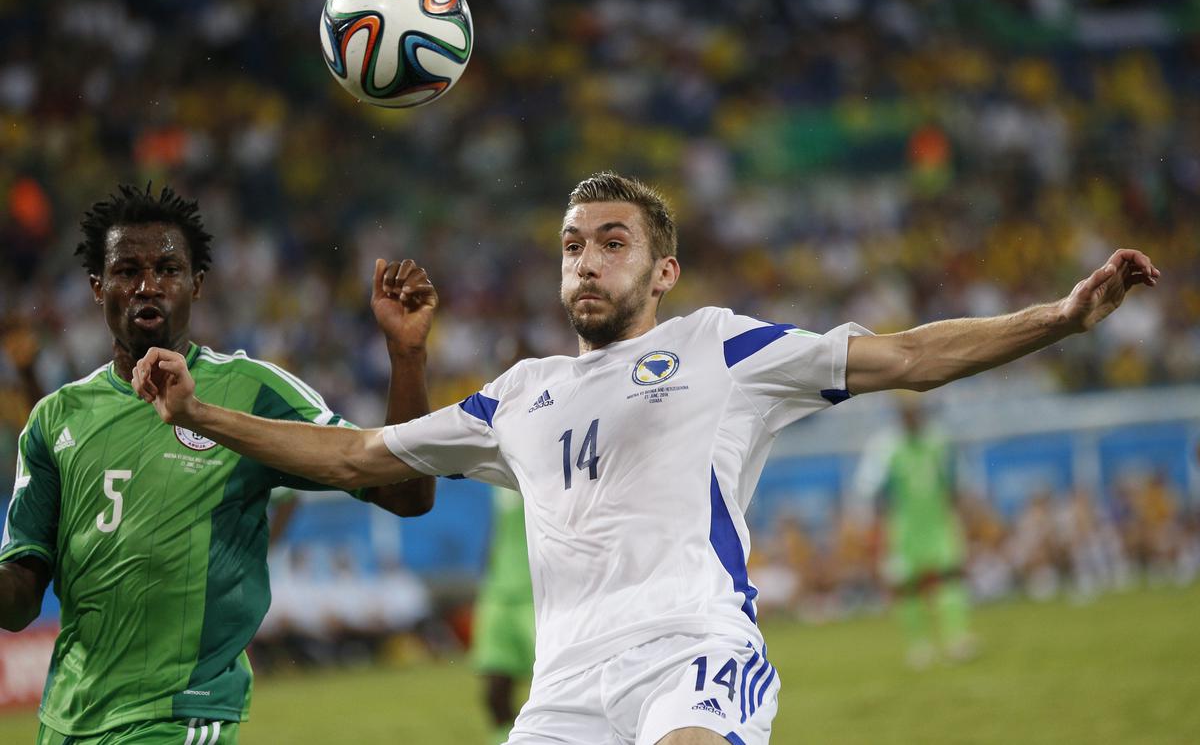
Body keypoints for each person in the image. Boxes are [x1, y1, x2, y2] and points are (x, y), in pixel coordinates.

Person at [131, 172, 1160, 744]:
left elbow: (909, 356)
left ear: (661, 267)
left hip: (693, 651)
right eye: (574, 243)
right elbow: (359, 454)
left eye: (612, 241)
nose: (587, 258)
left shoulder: (722, 345)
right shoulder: (520, 392)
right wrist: (200, 411)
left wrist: (1062, 317)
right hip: (564, 687)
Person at [0, 183, 438, 745]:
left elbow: (407, 494)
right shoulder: (55, 419)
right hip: (64, 721)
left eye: (167, 269)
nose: (147, 286)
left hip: (181, 716)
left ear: (196, 285)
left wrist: (406, 356)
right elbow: (18, 603)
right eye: (126, 270)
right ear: (96, 287)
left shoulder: (252, 391)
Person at [854, 395, 974, 668]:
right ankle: (920, 646)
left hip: (938, 522)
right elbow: (869, 489)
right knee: (908, 587)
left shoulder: (940, 441)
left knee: (949, 577)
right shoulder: (884, 447)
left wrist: (958, 517)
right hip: (902, 529)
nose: (911, 414)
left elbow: (956, 483)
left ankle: (956, 638)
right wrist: (877, 530)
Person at [473, 486, 536, 745]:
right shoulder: (494, 475)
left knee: (559, 682)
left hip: (537, 594)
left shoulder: (545, 465)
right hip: (498, 592)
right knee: (495, 689)